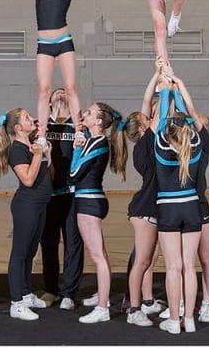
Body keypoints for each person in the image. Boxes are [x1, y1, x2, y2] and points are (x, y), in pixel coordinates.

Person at [0, 0, 107, 151]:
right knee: (44, 90)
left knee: (71, 88)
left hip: (64, 41)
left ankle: (79, 130)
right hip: (44, 44)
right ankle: (42, 135)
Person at [150, 75, 204, 334]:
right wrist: (179, 87)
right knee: (189, 266)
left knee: (173, 267)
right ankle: (190, 320)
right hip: (192, 206)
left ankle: (174, 320)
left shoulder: (160, 143)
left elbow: (162, 117)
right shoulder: (195, 144)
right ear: (188, 129)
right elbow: (184, 115)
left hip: (168, 208)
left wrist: (164, 91)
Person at [69, 102, 126, 324]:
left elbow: (73, 175)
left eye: (89, 113)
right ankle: (103, 298)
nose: (85, 114)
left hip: (89, 201)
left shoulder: (97, 143)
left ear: (99, 122)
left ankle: (103, 308)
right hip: (91, 200)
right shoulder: (94, 141)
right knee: (100, 254)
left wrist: (75, 148)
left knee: (98, 257)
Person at [120, 60, 165, 327]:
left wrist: (156, 75)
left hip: (152, 206)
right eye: (147, 119)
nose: (149, 116)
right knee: (143, 260)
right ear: (142, 128)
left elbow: (146, 103)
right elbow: (155, 109)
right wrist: (167, 84)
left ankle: (146, 300)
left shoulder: (147, 139)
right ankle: (133, 308)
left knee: (151, 258)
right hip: (145, 208)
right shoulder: (147, 141)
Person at [0, 108, 53, 321]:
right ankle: (16, 303)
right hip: (26, 206)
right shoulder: (18, 149)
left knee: (30, 252)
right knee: (19, 254)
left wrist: (46, 153)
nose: (32, 119)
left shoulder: (32, 146)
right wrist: (38, 155)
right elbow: (28, 180)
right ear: (18, 128)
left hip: (40, 204)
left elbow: (48, 174)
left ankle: (26, 294)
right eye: (27, 118)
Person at [39, 88, 84, 310]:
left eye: (63, 92)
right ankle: (51, 289)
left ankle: (69, 292)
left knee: (73, 243)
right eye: (56, 93)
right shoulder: (42, 126)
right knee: (48, 243)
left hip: (72, 193)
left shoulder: (79, 125)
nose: (60, 94)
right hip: (48, 194)